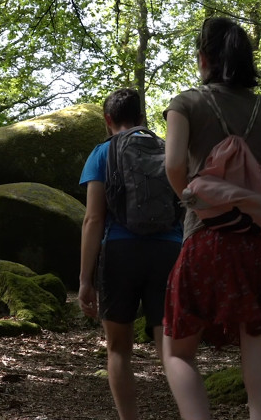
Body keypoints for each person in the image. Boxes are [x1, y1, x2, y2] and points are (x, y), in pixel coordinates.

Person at [161, 17, 261, 420]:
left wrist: (198, 202)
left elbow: (173, 166)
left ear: (204, 58)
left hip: (208, 242)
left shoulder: (186, 103)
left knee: (178, 353)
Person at [78, 88, 183, 420]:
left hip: (120, 252)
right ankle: (191, 411)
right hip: (168, 250)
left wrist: (85, 279)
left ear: (108, 120)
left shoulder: (102, 153)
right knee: (171, 350)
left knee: (118, 348)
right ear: (142, 118)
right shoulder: (168, 150)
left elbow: (93, 218)